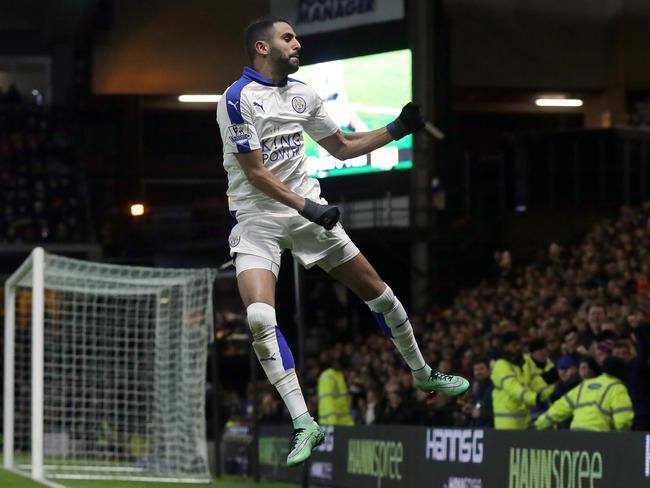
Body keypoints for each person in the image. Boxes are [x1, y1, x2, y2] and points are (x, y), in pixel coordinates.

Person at [216, 16, 469, 467]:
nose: (297, 42)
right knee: (258, 317)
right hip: (260, 220)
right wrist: (306, 207)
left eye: (296, 36)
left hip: (307, 211)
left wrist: (396, 129)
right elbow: (254, 173)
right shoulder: (236, 101)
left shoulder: (304, 93)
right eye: (287, 37)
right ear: (261, 47)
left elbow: (342, 147)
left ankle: (424, 374)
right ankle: (304, 423)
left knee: (383, 296)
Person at [535, 357, 634, 431]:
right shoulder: (617, 387)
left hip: (577, 433)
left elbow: (560, 407)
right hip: (600, 437)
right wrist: (620, 434)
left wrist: (539, 423)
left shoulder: (585, 385)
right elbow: (623, 420)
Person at [491, 332, 550, 429]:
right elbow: (513, 388)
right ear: (504, 347)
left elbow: (536, 381)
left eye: (519, 344)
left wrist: (549, 394)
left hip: (525, 419)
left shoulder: (524, 364)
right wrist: (534, 398)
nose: (518, 347)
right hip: (506, 423)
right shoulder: (500, 365)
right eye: (514, 345)